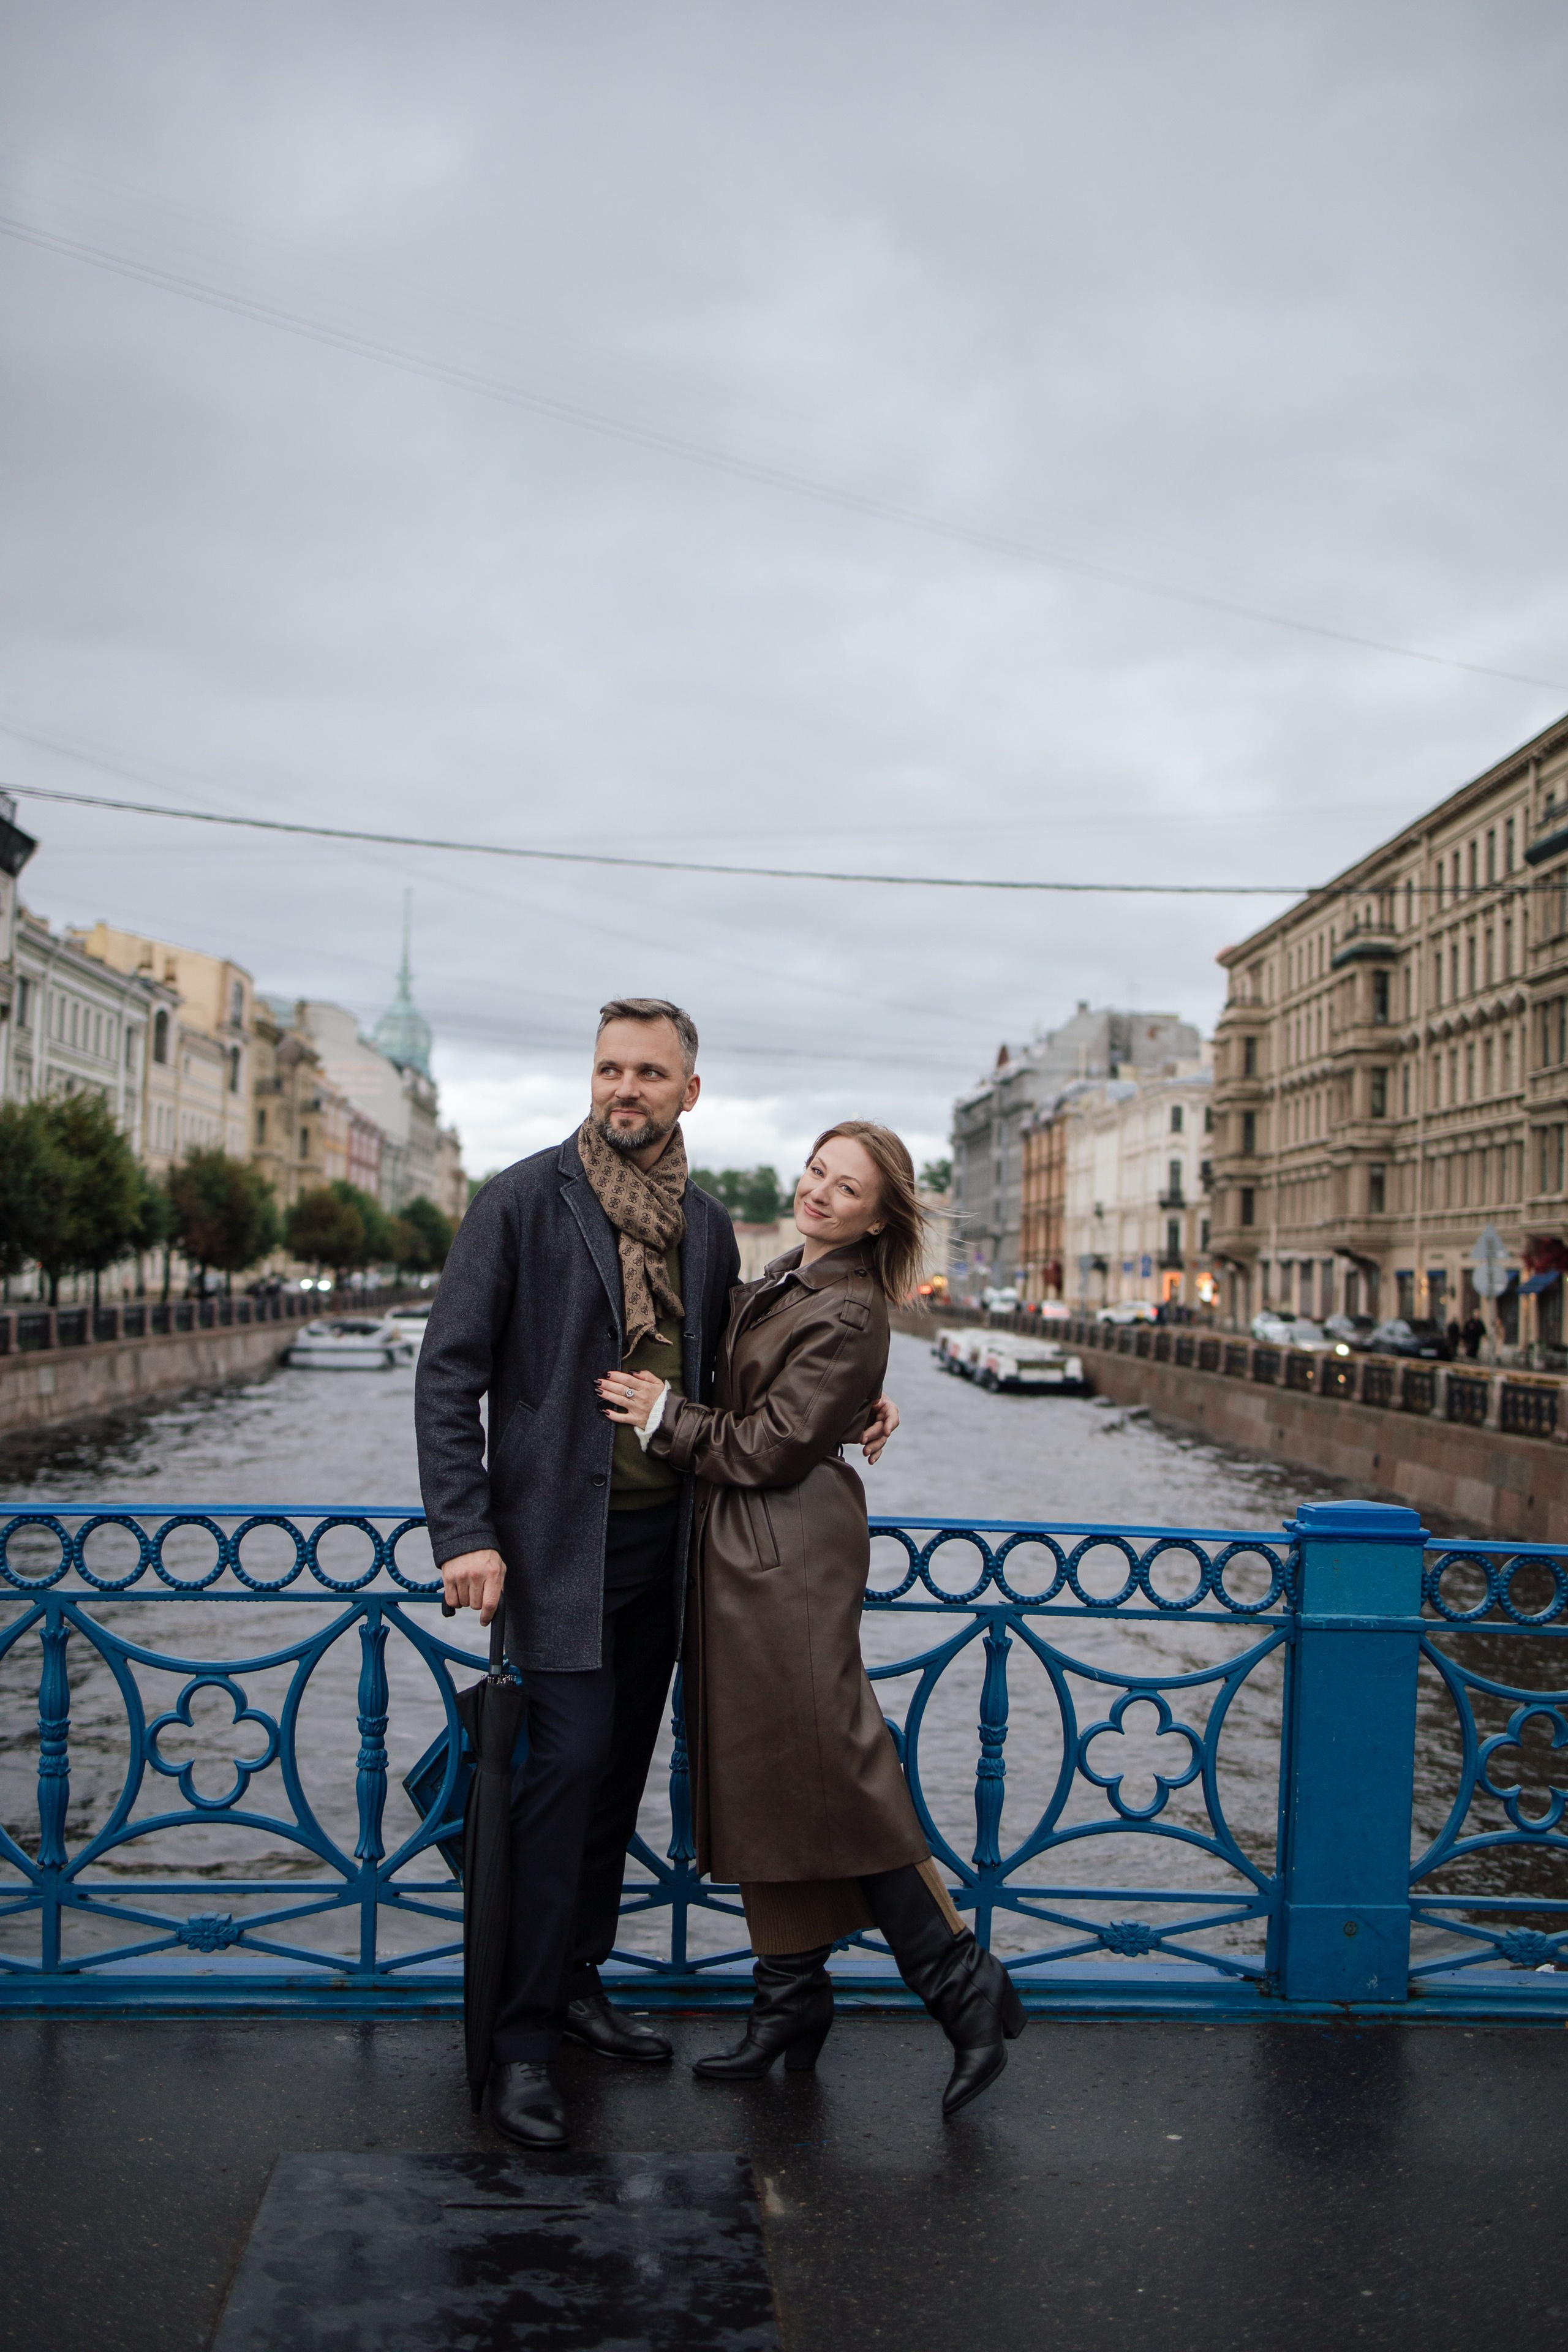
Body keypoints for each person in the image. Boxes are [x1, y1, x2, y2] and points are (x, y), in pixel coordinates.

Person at [416, 999, 898, 2150]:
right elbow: (447, 1374)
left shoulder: (705, 1223)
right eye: (608, 1069)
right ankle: (521, 2043)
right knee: (561, 1774)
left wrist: (850, 1404)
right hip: (554, 1550)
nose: (623, 1089)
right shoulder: (522, 1200)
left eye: (647, 1072)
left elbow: (737, 1373)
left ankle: (578, 1982)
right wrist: (464, 1532)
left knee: (615, 1780)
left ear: (690, 1091)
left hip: (673, 1552)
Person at [601, 1120, 1027, 2117]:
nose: (820, 1192)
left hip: (785, 1554)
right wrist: (856, 1403)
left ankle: (961, 1983)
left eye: (847, 1188)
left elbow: (772, 1446)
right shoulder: (789, 1277)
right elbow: (778, 1397)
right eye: (817, 1172)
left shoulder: (847, 1305)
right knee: (768, 1774)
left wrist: (663, 1416)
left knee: (837, 1769)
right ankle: (790, 1997)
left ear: (879, 1218)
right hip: (745, 1550)